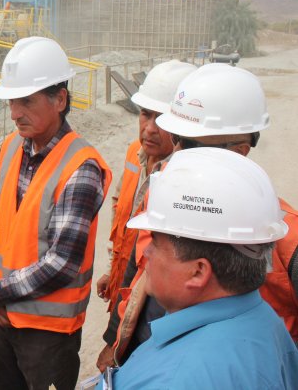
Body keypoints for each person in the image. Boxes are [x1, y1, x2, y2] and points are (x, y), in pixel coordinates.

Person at [103, 63, 298, 369]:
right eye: (177, 139)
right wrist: (114, 341)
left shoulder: (284, 236)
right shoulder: (163, 197)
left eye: (190, 145)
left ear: (240, 151)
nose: (175, 154)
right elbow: (137, 273)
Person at [0, 36, 112, 390]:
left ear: (60, 99)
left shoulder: (81, 167)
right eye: (11, 101)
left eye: (26, 101)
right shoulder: (10, 146)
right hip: (4, 319)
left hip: (48, 335)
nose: (15, 112)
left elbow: (62, 262)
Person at [103, 148, 298, 388]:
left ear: (198, 272)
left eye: (155, 242)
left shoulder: (175, 380)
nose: (146, 252)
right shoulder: (264, 323)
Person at [94, 60, 195, 369]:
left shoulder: (186, 179)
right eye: (145, 114)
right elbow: (121, 215)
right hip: (124, 292)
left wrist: (115, 338)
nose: (149, 128)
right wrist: (113, 269)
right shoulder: (132, 155)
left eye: (161, 118)